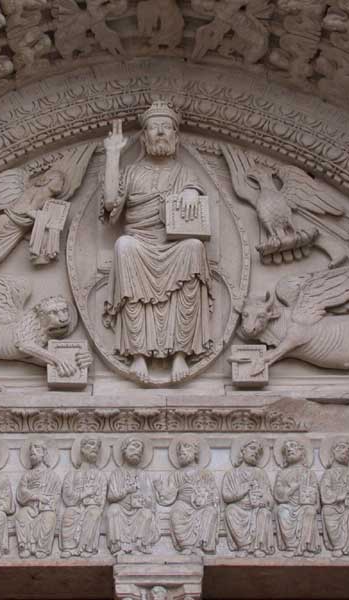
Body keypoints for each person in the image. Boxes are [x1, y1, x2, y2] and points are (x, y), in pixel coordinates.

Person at [102, 101, 213, 383]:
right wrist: (113, 155)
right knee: (124, 246)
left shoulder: (184, 173)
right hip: (140, 242)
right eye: (154, 127)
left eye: (167, 127)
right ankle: (138, 353)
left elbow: (195, 196)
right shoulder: (132, 172)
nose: (161, 132)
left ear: (176, 137)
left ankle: (180, 354)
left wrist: (191, 193)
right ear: (144, 137)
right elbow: (111, 203)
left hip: (173, 245)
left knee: (194, 247)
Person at [156, 439, 219, 554]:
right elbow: (169, 495)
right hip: (184, 503)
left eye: (186, 447)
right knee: (177, 511)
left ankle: (200, 545)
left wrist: (205, 499)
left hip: (203, 504)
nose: (182, 451)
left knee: (211, 511)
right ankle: (187, 546)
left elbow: (213, 492)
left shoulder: (205, 473)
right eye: (179, 450)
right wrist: (160, 488)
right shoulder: (176, 474)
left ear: (195, 452)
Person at [106, 437, 160, 554]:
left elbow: (150, 500)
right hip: (121, 509)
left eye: (140, 450)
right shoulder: (117, 473)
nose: (138, 451)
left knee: (147, 514)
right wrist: (126, 491)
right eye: (134, 446)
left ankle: (139, 545)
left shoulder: (143, 475)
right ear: (124, 450)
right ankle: (117, 546)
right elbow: (111, 496)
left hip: (138, 511)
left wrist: (141, 500)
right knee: (113, 510)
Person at [222, 439, 275, 557]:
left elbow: (269, 498)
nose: (255, 452)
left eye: (258, 451)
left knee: (265, 513)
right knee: (230, 510)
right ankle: (244, 547)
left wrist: (264, 501)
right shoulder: (231, 474)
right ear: (242, 451)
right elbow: (226, 496)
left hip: (257, 508)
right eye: (252, 448)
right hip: (239, 508)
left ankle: (259, 547)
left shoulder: (261, 473)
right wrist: (244, 490)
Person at [60, 437, 107, 557]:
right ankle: (69, 548)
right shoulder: (72, 474)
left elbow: (102, 499)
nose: (95, 448)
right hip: (75, 507)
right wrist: (84, 494)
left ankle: (86, 548)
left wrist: (93, 501)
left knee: (93, 513)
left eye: (97, 446)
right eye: (91, 444)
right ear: (82, 449)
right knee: (69, 513)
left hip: (92, 507)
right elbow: (67, 495)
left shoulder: (100, 476)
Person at [319, 439, 349, 558]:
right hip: (333, 506)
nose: (345, 451)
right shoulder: (328, 473)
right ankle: (337, 546)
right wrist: (339, 496)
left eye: (348, 450)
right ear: (333, 452)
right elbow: (325, 492)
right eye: (341, 447)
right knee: (327, 510)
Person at [273, 440, 320, 556]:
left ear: (302, 452)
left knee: (310, 511)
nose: (289, 449)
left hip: (305, 506)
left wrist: (311, 500)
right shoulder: (282, 474)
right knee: (282, 510)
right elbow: (278, 493)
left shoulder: (309, 473)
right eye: (286, 449)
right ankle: (291, 547)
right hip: (288, 505)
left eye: (293, 446)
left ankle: (306, 547)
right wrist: (291, 489)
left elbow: (316, 494)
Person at [15, 440, 61, 558]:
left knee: (49, 517)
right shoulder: (27, 475)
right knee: (21, 515)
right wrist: (35, 496)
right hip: (30, 508)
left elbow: (57, 494)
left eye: (37, 448)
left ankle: (42, 548)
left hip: (46, 509)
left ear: (44, 453)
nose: (32, 451)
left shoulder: (53, 476)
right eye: (31, 449)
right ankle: (25, 546)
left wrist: (47, 502)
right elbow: (21, 492)